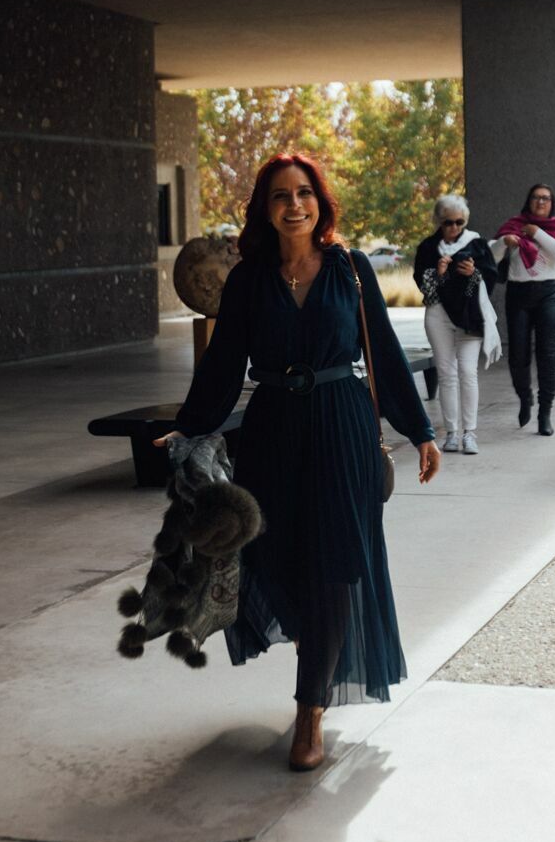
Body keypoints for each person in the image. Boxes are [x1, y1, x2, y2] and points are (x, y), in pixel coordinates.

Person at [157, 153, 441, 773]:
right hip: (272, 435)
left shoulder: (352, 270)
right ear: (265, 207)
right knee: (276, 562)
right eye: (281, 195)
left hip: (341, 430)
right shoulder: (248, 280)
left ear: (321, 202)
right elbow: (225, 363)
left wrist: (418, 430)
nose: (294, 205)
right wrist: (191, 427)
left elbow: (385, 358)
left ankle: (310, 711)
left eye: (305, 192)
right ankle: (314, 660)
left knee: (334, 572)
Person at [412, 195, 500, 455]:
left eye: (459, 222)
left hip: (469, 316)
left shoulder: (476, 244)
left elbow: (490, 281)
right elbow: (423, 287)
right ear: (439, 222)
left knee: (468, 372)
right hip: (438, 314)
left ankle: (469, 433)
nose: (453, 228)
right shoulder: (428, 247)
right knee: (447, 374)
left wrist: (473, 274)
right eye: (448, 222)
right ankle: (451, 433)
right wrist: (438, 274)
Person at [494, 184, 555, 437]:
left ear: (552, 203)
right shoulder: (514, 225)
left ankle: (544, 412)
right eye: (536, 197)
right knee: (518, 353)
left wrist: (536, 233)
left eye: (546, 198)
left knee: (547, 353)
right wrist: (504, 242)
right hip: (518, 294)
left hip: (549, 292)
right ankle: (525, 396)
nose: (540, 202)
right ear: (528, 201)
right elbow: (490, 256)